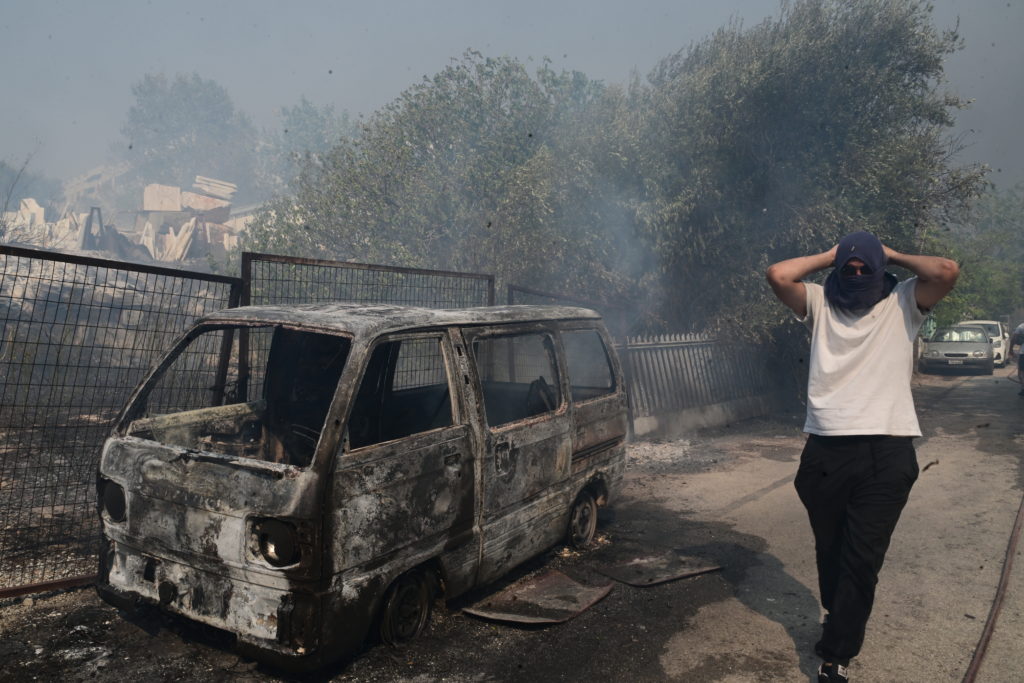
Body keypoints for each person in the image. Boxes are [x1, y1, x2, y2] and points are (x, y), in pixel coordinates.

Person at [766, 232, 959, 682]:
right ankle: (841, 616)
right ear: (836, 271)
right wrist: (835, 255)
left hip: (886, 453)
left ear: (880, 270)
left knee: (861, 559)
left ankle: (836, 655)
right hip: (826, 451)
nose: (855, 274)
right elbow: (778, 274)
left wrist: (887, 252)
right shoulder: (819, 301)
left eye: (864, 268)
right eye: (847, 269)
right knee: (831, 551)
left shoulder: (904, 301)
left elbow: (946, 270)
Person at [1010, 321, 1024, 396]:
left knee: (1021, 373)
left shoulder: (1021, 327)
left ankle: (1023, 388)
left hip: (1023, 353)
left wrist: (1010, 349)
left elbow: (1014, 338)